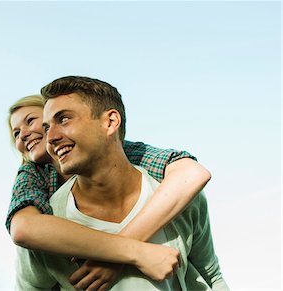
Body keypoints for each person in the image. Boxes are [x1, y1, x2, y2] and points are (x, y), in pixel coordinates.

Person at [15, 76, 229, 290]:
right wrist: (133, 252)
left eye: (63, 119)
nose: (50, 137)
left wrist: (115, 258)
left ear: (110, 122)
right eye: (46, 127)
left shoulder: (176, 197)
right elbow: (23, 230)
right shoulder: (48, 228)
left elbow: (211, 276)